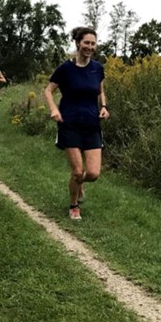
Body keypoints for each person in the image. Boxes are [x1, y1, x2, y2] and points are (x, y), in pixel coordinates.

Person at [44, 27, 110, 221]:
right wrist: (54, 109)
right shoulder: (66, 68)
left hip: (91, 124)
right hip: (69, 123)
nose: (90, 47)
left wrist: (104, 106)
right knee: (76, 171)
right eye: (86, 43)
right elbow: (48, 91)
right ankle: (74, 205)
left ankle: (78, 185)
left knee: (94, 173)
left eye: (93, 43)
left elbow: (100, 91)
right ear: (78, 44)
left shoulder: (97, 68)